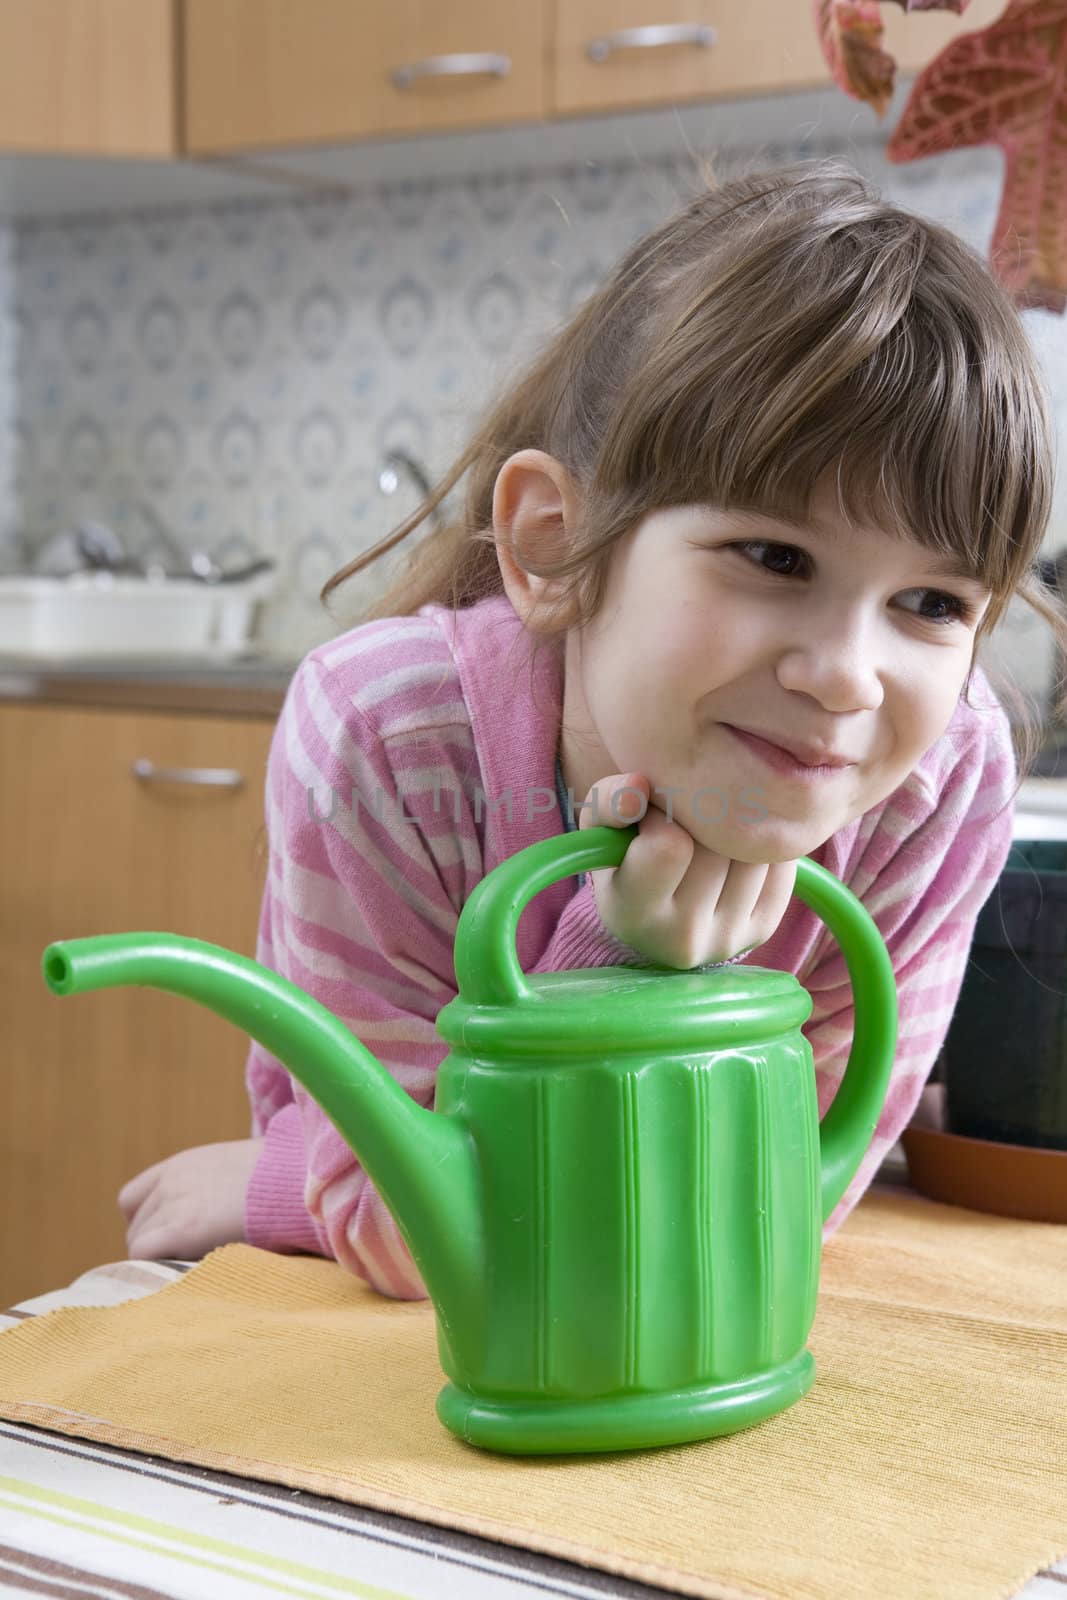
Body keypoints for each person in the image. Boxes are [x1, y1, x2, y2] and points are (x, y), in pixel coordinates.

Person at [118, 159, 1067, 1295]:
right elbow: (420, 1217)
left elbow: (774, 1210)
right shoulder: (386, 738)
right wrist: (611, 969)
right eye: (774, 557)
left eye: (931, 603)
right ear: (553, 547)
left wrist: (276, 1182)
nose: (845, 679)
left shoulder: (940, 780)